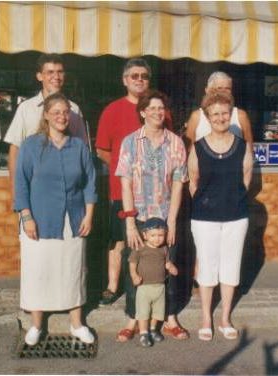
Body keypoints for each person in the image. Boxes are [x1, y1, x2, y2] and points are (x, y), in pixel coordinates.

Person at [14, 92, 97, 346]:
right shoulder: (30, 146)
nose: (62, 117)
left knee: (72, 271)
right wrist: (26, 217)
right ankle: (36, 326)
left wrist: (89, 215)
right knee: (38, 272)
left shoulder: (79, 147)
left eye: (66, 113)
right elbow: (21, 184)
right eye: (56, 112)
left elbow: (89, 184)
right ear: (46, 116)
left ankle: (76, 324)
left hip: (73, 219)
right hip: (38, 220)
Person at [115, 89, 189, 342]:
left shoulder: (176, 142)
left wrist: (172, 221)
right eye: (152, 108)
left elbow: (179, 183)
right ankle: (132, 319)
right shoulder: (130, 142)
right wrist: (129, 224)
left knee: (168, 267)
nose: (158, 112)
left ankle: (170, 318)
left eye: (161, 108)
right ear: (143, 112)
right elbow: (125, 185)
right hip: (139, 218)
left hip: (166, 217)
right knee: (136, 267)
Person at [187, 91, 253, 341]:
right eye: (215, 113)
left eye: (225, 113)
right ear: (207, 117)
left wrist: (230, 200)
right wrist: (208, 202)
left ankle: (225, 318)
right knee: (206, 267)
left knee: (230, 267)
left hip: (236, 216)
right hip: (204, 218)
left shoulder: (241, 146)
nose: (221, 117)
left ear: (230, 114)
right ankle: (206, 318)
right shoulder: (198, 147)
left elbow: (245, 179)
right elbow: (193, 181)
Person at [95, 58, 153, 306]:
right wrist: (124, 171)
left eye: (144, 76)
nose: (139, 80)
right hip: (121, 190)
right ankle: (112, 286)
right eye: (134, 76)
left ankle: (148, 282)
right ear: (125, 80)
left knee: (150, 238)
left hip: (151, 191)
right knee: (118, 240)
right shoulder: (112, 110)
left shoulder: (157, 108)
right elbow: (102, 150)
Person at [5, 53, 87, 199]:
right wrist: (16, 193)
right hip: (33, 192)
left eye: (60, 72)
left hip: (67, 194)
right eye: (50, 72)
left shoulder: (74, 109)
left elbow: (82, 151)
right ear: (39, 76)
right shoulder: (26, 108)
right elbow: (15, 151)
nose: (56, 76)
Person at [129, 217, 178, 347]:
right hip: (144, 287)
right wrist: (134, 275)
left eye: (161, 235)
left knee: (158, 311)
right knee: (143, 312)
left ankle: (153, 329)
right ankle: (144, 333)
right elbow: (132, 263)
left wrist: (171, 267)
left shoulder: (164, 249)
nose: (157, 238)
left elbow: (167, 263)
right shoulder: (140, 248)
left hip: (160, 286)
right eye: (153, 235)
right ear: (144, 235)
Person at [185, 71, 253, 146]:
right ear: (207, 90)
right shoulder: (196, 117)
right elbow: (190, 150)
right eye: (219, 88)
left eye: (227, 88)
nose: (223, 92)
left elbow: (249, 150)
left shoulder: (240, 116)